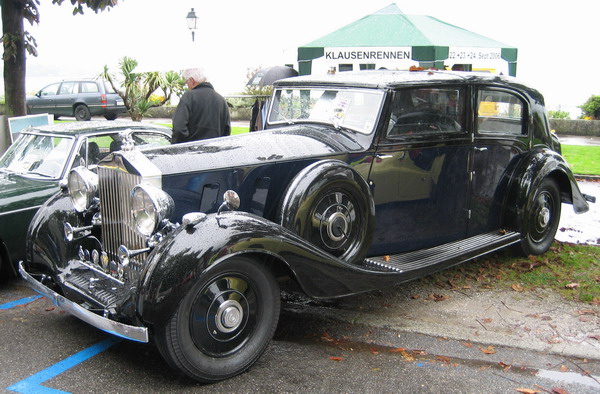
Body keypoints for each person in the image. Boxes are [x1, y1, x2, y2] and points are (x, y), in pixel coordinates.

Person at [172, 68, 231, 143]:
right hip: (215, 151)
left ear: (192, 80)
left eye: (187, 82)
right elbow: (226, 132)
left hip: (191, 152)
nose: (187, 85)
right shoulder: (222, 100)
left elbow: (179, 129)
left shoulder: (189, 97)